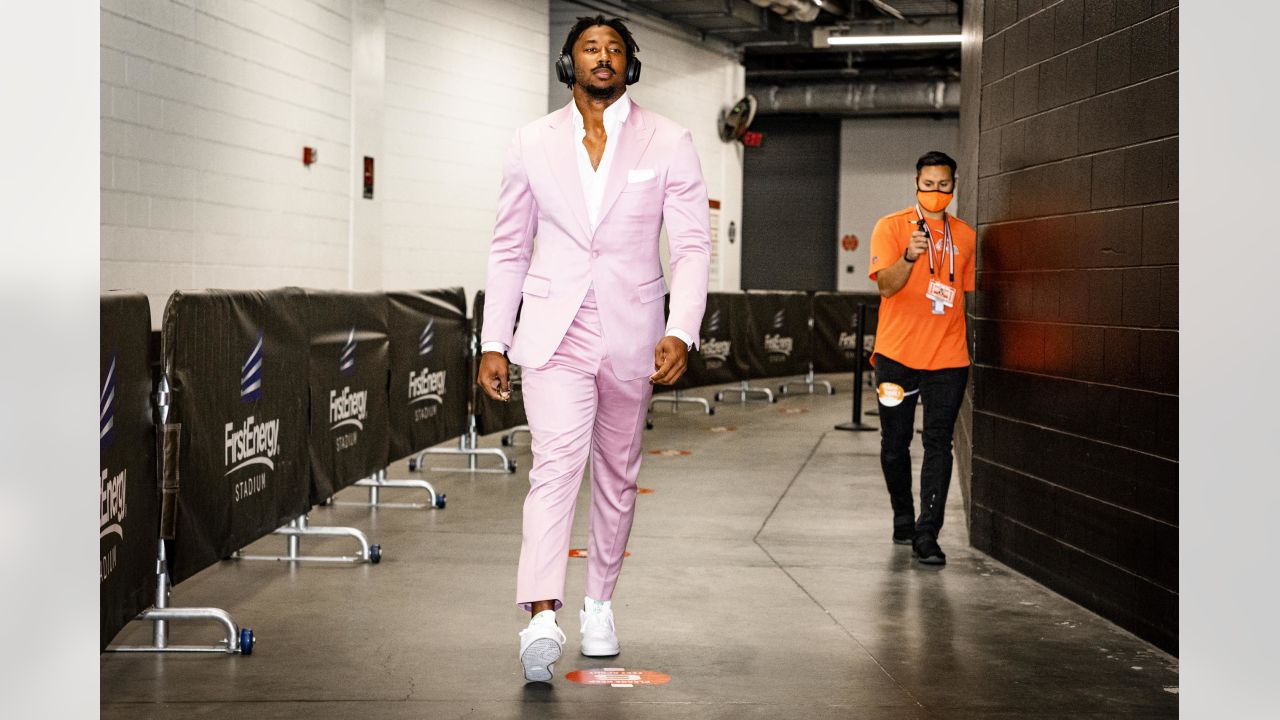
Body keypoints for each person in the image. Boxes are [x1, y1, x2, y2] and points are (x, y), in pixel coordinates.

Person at [476, 15, 710, 682]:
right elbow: (508, 246)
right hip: (554, 331)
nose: (602, 58)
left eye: (615, 49)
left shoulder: (670, 140)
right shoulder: (531, 141)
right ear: (568, 62)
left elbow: (692, 245)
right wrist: (494, 337)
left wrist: (681, 328)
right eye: (590, 48)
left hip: (633, 331)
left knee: (617, 471)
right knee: (555, 464)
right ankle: (542, 613)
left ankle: (599, 603)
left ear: (630, 65)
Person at [867, 150, 975, 567]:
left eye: (943, 185)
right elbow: (887, 289)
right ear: (916, 183)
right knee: (895, 444)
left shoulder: (965, 236)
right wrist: (909, 257)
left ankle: (928, 533)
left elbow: (959, 291)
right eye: (928, 185)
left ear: (954, 185)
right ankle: (903, 516)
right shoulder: (891, 227)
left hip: (948, 359)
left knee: (938, 443)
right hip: (896, 357)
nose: (935, 192)